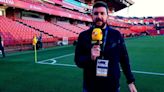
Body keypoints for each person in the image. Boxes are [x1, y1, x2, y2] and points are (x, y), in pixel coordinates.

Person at [74, 1, 137, 92]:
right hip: (91, 87)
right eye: (96, 13)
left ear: (107, 15)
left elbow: (124, 59)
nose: (99, 16)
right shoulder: (84, 35)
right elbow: (78, 61)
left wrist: (130, 82)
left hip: (112, 86)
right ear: (92, 16)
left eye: (102, 13)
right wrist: (90, 57)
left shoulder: (116, 35)